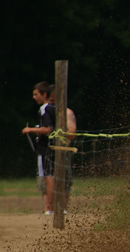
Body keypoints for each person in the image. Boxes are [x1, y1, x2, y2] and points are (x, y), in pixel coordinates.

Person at [22, 81, 56, 215]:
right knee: (51, 175)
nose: (34, 97)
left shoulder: (44, 108)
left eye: (36, 94)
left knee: (47, 177)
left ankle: (49, 209)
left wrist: (30, 129)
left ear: (44, 94)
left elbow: (48, 129)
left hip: (45, 149)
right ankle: (51, 209)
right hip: (54, 147)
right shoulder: (54, 108)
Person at [49, 84, 77, 213]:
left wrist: (57, 132)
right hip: (49, 152)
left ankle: (63, 208)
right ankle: (49, 209)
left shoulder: (67, 113)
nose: (51, 103)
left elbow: (72, 133)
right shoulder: (47, 112)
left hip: (63, 151)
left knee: (65, 180)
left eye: (53, 100)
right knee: (48, 180)